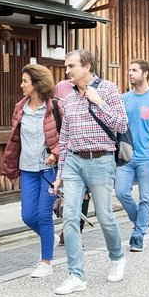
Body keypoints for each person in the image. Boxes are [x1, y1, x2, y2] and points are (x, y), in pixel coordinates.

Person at [52, 49, 128, 295]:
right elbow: (64, 138)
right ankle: (76, 275)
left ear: (87, 66)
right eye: (66, 67)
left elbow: (122, 124)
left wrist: (98, 101)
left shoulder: (108, 89)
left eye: (72, 66)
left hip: (101, 160)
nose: (67, 71)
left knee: (105, 215)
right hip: (74, 160)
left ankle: (117, 257)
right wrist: (60, 173)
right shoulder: (69, 99)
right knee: (70, 216)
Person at [0, 64, 61, 278]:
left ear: (37, 83)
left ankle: (46, 262)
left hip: (49, 170)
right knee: (27, 215)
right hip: (27, 168)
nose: (21, 85)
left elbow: (65, 136)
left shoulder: (54, 107)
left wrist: (55, 152)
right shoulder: (20, 108)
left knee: (44, 214)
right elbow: (15, 138)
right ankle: (50, 237)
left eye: (25, 81)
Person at [115, 59, 149, 252]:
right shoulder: (123, 99)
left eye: (134, 70)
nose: (130, 73)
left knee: (146, 197)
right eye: (129, 69)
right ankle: (142, 220)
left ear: (145, 73)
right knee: (121, 192)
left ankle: (138, 235)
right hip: (126, 155)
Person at [54, 79, 91, 246]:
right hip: (63, 146)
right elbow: (54, 116)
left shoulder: (94, 88)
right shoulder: (62, 87)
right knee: (66, 194)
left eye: (73, 66)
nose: (69, 70)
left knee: (83, 194)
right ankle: (68, 230)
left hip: (85, 149)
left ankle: (76, 234)